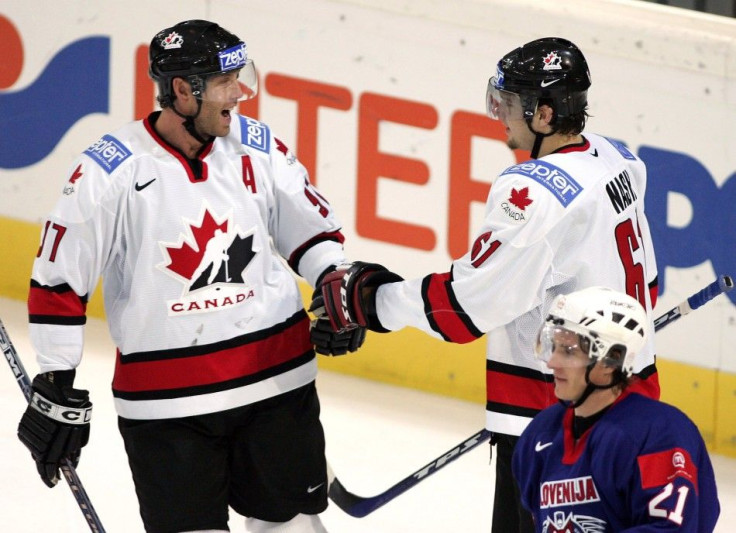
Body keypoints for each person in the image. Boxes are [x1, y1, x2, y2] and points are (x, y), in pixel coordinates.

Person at [16, 19, 365, 533]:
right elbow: (59, 281)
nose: (239, 94)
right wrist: (55, 380)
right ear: (183, 90)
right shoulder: (108, 171)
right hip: (168, 408)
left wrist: (337, 290)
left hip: (276, 386)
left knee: (293, 526)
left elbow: (312, 235)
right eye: (225, 83)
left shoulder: (257, 146)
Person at [310, 37, 660, 532]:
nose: (501, 115)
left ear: (544, 114)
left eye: (512, 104)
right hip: (636, 410)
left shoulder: (535, 193)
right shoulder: (617, 159)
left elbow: (465, 308)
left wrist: (370, 301)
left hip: (559, 429)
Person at [512, 286, 720, 531]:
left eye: (568, 352)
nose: (553, 362)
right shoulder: (540, 433)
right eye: (553, 346)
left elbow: (670, 528)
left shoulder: (659, 434)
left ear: (611, 359)